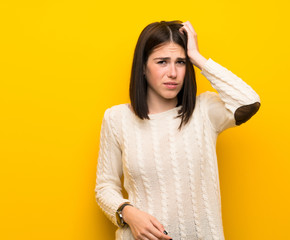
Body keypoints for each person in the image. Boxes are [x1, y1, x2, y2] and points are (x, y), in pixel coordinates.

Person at [95, 20, 261, 240]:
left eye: (181, 62)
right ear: (143, 67)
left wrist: (197, 57)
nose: (172, 72)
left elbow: (248, 101)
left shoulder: (205, 111)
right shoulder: (117, 118)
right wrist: (128, 212)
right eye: (162, 61)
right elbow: (105, 187)